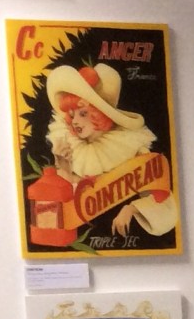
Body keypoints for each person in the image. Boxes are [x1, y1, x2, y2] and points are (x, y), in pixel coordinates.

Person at [45, 62, 178, 238]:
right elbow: (65, 209)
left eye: (83, 113)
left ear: (100, 114)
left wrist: (131, 209)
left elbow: (165, 208)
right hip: (90, 234)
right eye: (72, 114)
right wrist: (64, 170)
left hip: (128, 235)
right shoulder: (72, 150)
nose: (75, 121)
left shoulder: (130, 147)